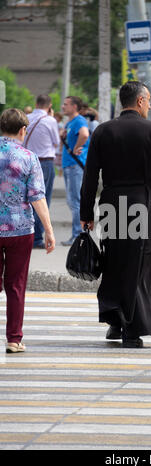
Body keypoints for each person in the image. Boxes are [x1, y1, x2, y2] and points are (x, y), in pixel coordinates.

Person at [80, 81, 151, 348]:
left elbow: (90, 176)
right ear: (142, 101)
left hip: (110, 203)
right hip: (141, 203)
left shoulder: (102, 131)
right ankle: (131, 331)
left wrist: (85, 212)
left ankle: (115, 320)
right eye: (148, 101)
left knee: (114, 260)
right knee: (141, 264)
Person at [0, 108, 55, 353]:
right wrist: (49, 230)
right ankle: (14, 338)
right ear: (23, 130)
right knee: (16, 285)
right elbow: (37, 197)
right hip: (20, 230)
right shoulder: (28, 157)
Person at [24, 94, 60, 248]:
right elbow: (56, 142)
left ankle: (28, 234)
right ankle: (38, 237)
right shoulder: (50, 121)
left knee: (27, 199)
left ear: (36, 103)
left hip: (26, 160)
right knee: (42, 199)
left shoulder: (26, 117)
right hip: (44, 162)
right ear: (49, 105)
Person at [61, 96, 90, 246]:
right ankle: (77, 234)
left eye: (66, 104)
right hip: (69, 165)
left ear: (74, 106)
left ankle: (78, 235)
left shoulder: (79, 121)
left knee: (75, 201)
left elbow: (85, 134)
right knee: (72, 201)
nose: (63, 106)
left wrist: (76, 147)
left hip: (74, 166)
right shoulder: (71, 122)